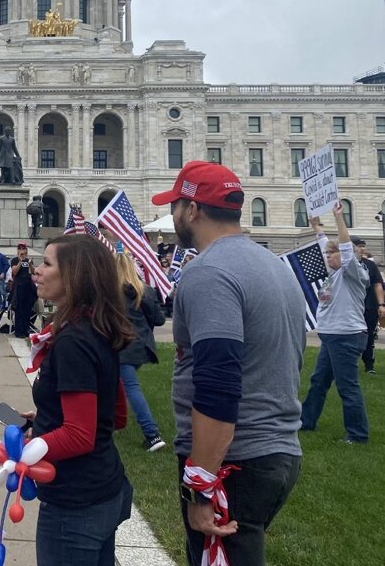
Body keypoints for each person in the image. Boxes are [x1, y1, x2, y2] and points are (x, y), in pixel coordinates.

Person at [151, 161, 306, 566]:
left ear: (193, 210)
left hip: (233, 461)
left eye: (177, 206)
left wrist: (201, 484)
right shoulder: (276, 267)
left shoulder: (208, 272)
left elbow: (218, 383)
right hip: (276, 448)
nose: (174, 215)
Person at [0, 234, 134, 566]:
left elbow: (79, 435)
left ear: (74, 275)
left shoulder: (73, 341)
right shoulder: (96, 327)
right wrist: (46, 416)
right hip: (105, 488)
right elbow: (115, 415)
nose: (37, 271)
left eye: (47, 263)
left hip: (74, 504)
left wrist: (5, 451)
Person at [300, 205, 371, 442]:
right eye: (327, 254)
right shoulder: (333, 274)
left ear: (345, 254)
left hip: (347, 336)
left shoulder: (355, 273)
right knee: (319, 381)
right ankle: (306, 421)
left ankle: (357, 435)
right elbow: (325, 245)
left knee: (347, 387)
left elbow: (345, 249)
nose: (328, 256)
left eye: (333, 253)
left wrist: (339, 217)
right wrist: (316, 227)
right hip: (331, 336)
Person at [114, 251, 167, 452]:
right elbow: (160, 319)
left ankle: (152, 434)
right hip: (140, 346)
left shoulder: (110, 293)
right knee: (113, 385)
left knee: (130, 388)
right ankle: (110, 422)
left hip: (121, 347)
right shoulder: (145, 291)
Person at [352, 237, 385, 373]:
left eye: (363, 246)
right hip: (352, 307)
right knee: (351, 336)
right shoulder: (345, 265)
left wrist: (381, 304)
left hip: (369, 306)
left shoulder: (370, 265)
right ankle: (349, 364)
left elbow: (377, 284)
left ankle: (369, 365)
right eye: (359, 246)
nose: (362, 248)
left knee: (369, 336)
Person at [11, 243, 37, 339]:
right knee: (19, 309)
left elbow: (33, 272)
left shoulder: (28, 260)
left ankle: (26, 329)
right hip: (19, 286)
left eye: (23, 248)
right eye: (20, 248)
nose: (22, 250)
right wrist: (20, 261)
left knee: (27, 309)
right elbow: (14, 272)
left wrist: (30, 264)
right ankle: (18, 331)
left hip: (28, 286)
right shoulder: (15, 260)